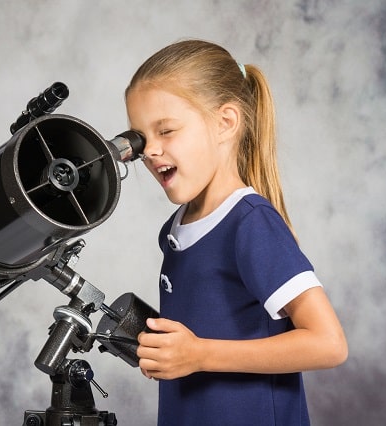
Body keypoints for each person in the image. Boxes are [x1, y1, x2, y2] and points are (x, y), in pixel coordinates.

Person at [125, 39, 348, 425]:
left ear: (225, 122)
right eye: (142, 138)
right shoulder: (175, 229)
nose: (150, 151)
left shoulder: (250, 221)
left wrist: (199, 355)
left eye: (167, 131)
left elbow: (328, 343)